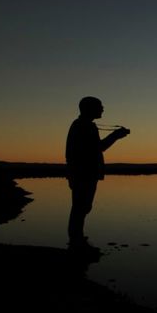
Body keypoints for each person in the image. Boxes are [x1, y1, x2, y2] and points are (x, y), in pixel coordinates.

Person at [65, 96, 130, 248]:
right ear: (89, 108)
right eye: (100, 106)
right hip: (83, 173)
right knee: (80, 207)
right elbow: (97, 148)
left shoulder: (84, 125)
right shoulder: (83, 126)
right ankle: (76, 241)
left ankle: (76, 239)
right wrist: (116, 136)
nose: (103, 108)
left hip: (83, 173)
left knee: (82, 207)